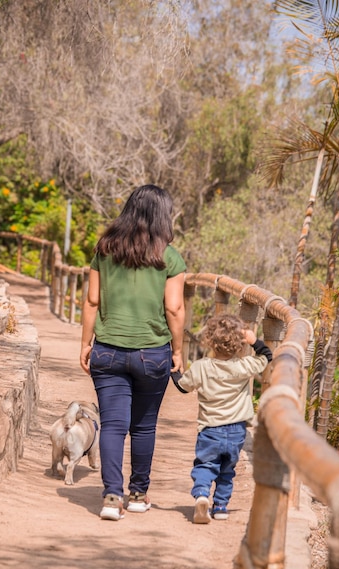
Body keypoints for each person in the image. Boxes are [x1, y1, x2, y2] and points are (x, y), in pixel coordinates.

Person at [80, 184, 186, 521]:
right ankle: (139, 494)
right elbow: (174, 308)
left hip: (108, 351)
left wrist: (85, 343)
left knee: (112, 426)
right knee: (143, 427)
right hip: (152, 354)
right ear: (163, 217)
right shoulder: (170, 257)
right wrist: (178, 350)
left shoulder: (105, 249)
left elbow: (92, 301)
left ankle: (112, 496)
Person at [171, 313, 272, 524]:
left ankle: (201, 495)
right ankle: (221, 506)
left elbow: (182, 387)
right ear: (240, 344)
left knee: (206, 466)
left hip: (210, 429)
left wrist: (173, 371)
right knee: (227, 470)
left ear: (210, 340)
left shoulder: (202, 367)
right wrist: (254, 341)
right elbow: (266, 355)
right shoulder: (245, 366)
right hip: (237, 431)